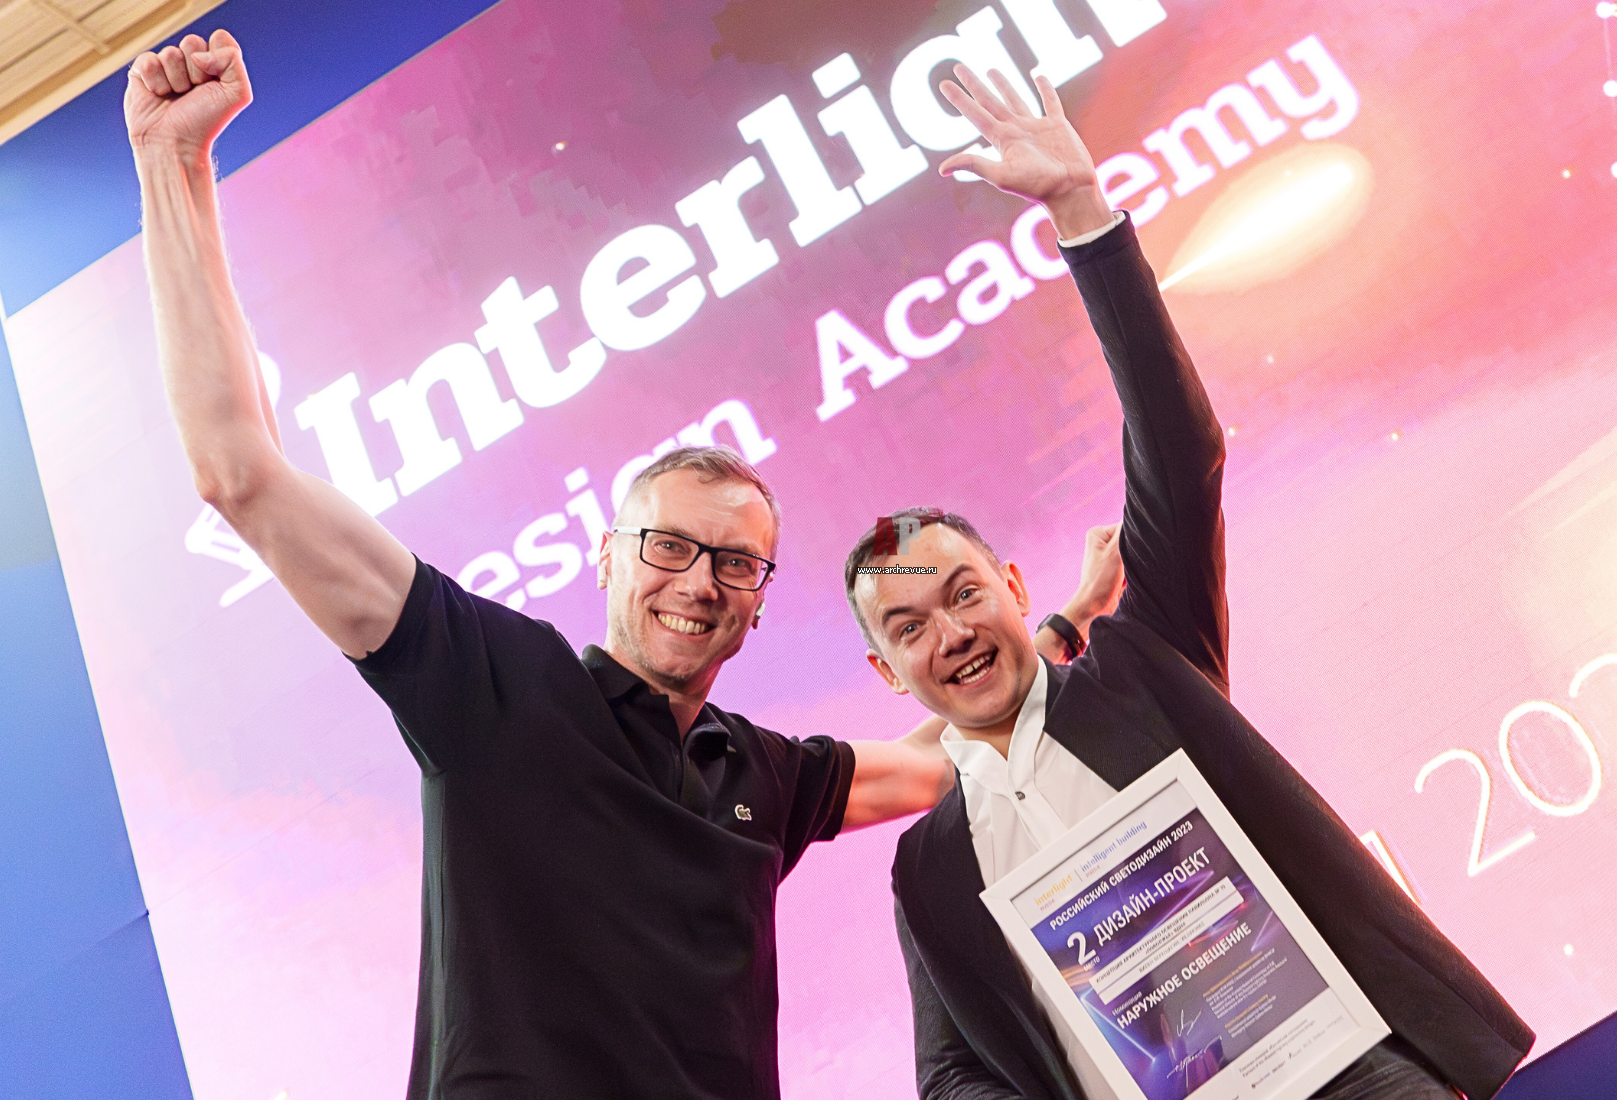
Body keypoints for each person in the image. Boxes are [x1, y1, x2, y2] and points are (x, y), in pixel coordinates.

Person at [123, 32, 1125, 1100]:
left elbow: (941, 753)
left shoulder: (759, 773)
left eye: (735, 564)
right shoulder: (498, 684)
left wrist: (1069, 615)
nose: (697, 581)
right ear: (609, 557)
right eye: (670, 546)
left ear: (757, 604)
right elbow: (238, 467)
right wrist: (174, 166)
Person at [846, 65, 1535, 1100]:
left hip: (1347, 1077)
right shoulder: (930, 866)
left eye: (962, 593)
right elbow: (949, 1073)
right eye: (908, 626)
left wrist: (1082, 213)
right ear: (887, 671)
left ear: (1015, 585)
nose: (949, 632)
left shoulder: (1143, 666)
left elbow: (1178, 449)